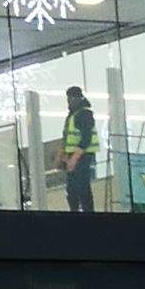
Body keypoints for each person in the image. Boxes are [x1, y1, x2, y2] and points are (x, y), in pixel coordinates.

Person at [60, 83, 99, 211]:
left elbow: (86, 139)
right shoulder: (73, 115)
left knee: (82, 188)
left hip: (83, 156)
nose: (68, 102)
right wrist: (64, 157)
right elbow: (67, 138)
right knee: (72, 190)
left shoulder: (84, 114)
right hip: (73, 156)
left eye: (69, 99)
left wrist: (73, 159)